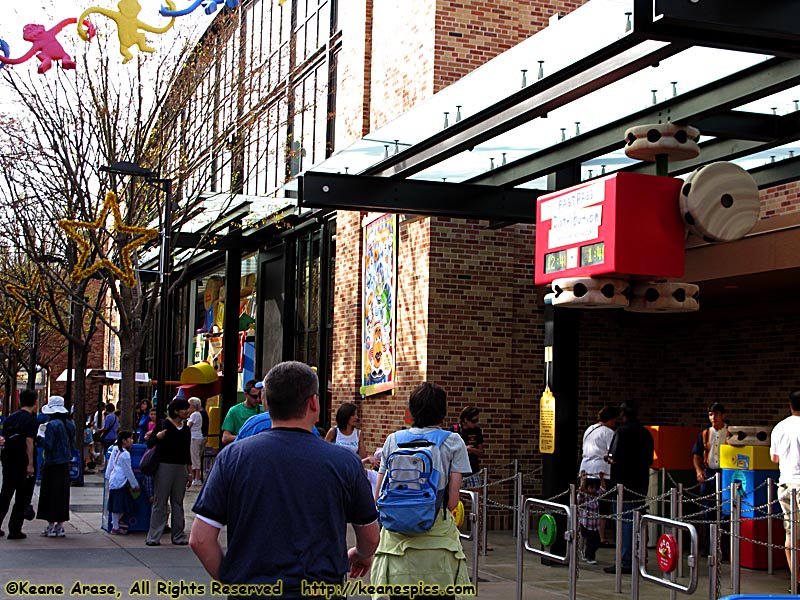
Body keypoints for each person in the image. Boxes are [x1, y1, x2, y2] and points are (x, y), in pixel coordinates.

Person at [190, 361, 379, 596]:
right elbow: (370, 536)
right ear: (314, 402)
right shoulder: (344, 463)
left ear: (266, 403)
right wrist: (360, 554)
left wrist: (232, 581)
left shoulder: (233, 457)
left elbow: (200, 539)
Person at [371, 382, 472, 600]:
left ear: (412, 410)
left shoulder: (393, 440)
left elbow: (378, 495)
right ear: (442, 412)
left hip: (397, 551)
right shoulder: (454, 442)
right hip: (439, 550)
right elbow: (452, 502)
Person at [603, 400, 654, 575]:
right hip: (640, 484)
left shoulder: (622, 432)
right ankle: (640, 557)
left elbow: (614, 457)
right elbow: (649, 459)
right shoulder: (646, 433)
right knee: (639, 521)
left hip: (623, 484)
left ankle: (625, 561)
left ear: (623, 414)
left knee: (625, 523)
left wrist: (608, 459)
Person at [145, 397, 191, 546]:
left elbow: (187, 451)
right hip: (164, 465)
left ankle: (178, 535)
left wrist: (189, 471)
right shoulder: (163, 425)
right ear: (176, 411)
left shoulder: (186, 429)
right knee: (160, 501)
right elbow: (150, 443)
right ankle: (154, 536)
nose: (187, 411)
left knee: (178, 502)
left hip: (181, 467)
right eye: (184, 409)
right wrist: (158, 437)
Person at [691, 402, 731, 557]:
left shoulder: (730, 433)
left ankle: (725, 547)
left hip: (725, 473)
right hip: (709, 472)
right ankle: (709, 546)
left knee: (725, 511)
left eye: (716, 414)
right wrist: (699, 470)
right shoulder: (705, 434)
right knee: (708, 511)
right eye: (710, 414)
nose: (713, 418)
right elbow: (696, 455)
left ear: (723, 415)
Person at [770, 389, 800, 587]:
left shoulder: (779, 427)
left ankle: (795, 580)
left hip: (785, 484)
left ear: (790, 405)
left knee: (791, 534)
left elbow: (774, 458)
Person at [0, 389, 39, 539]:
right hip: (22, 462)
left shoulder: (10, 418)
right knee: (22, 496)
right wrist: (30, 463)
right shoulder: (31, 421)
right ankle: (15, 529)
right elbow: (29, 442)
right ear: (35, 402)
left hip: (9, 460)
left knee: (5, 493)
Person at [38, 396, 76, 538]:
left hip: (52, 463)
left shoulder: (52, 425)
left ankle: (50, 526)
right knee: (62, 495)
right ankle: (60, 526)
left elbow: (48, 445)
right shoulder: (70, 424)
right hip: (65, 462)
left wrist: (39, 440)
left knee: (50, 494)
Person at [579, 405, 618, 546]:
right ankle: (600, 536)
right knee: (602, 506)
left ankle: (584, 535)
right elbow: (612, 452)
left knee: (585, 504)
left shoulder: (589, 429)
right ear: (610, 419)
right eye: (614, 420)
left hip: (585, 469)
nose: (615, 423)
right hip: (601, 471)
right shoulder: (608, 432)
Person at [105, 431, 140, 535]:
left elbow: (110, 464)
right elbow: (128, 471)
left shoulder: (115, 449)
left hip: (114, 480)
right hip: (120, 482)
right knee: (119, 505)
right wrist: (135, 484)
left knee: (117, 504)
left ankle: (116, 523)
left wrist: (108, 476)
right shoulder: (125, 455)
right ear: (124, 441)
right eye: (130, 439)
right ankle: (115, 526)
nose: (132, 441)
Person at [220, 379, 263, 445]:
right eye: (254, 396)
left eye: (260, 396)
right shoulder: (234, 411)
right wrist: (247, 437)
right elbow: (225, 438)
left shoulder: (264, 409)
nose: (258, 399)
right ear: (246, 394)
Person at [450, 405, 485, 488]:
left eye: (477, 420)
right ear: (465, 419)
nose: (476, 423)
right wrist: (462, 449)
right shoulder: (454, 430)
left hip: (473, 469)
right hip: (458, 470)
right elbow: (448, 452)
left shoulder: (477, 431)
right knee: (458, 497)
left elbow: (481, 452)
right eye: (473, 421)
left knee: (476, 497)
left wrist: (472, 450)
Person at [578, 472, 606, 564]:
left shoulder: (596, 496)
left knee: (596, 541)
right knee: (591, 542)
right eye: (591, 488)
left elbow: (603, 489)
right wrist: (583, 480)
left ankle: (587, 554)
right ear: (587, 489)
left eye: (594, 488)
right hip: (585, 524)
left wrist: (601, 478)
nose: (593, 490)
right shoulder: (584, 498)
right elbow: (580, 492)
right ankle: (590, 557)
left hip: (594, 525)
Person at [187, 397, 206, 487]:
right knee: (195, 456)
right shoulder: (197, 414)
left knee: (195, 457)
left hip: (194, 437)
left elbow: (188, 426)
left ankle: (197, 477)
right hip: (196, 436)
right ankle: (195, 476)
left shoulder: (194, 414)